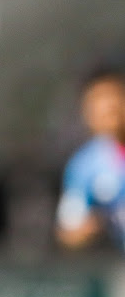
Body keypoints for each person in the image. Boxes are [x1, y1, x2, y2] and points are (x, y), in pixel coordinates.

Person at [56, 67, 125, 251]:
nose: (108, 107)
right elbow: (69, 229)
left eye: (114, 96)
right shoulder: (84, 167)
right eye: (96, 101)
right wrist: (87, 230)